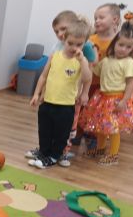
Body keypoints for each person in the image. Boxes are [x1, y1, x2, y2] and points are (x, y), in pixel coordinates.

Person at [27, 19, 92, 169]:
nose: (74, 47)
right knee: (44, 130)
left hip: (65, 106)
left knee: (61, 134)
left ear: (84, 44)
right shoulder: (54, 56)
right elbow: (43, 76)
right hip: (47, 102)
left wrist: (82, 61)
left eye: (79, 44)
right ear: (64, 39)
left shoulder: (81, 61)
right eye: (70, 43)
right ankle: (43, 153)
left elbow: (87, 78)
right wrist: (36, 94)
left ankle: (54, 156)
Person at [79, 22, 133, 166]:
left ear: (132, 49)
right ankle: (100, 149)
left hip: (117, 100)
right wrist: (90, 58)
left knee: (113, 129)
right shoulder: (106, 60)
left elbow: (131, 83)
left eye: (128, 47)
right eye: (121, 45)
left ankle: (113, 155)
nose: (123, 49)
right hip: (102, 98)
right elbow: (95, 70)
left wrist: (124, 101)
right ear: (114, 43)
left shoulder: (128, 62)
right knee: (101, 127)